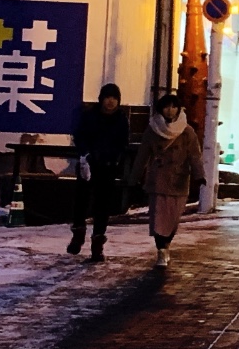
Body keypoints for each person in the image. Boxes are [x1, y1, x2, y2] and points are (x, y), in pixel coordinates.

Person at [138, 92, 205, 269]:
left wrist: (200, 176)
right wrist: (134, 177)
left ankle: (166, 246)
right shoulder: (153, 128)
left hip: (179, 180)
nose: (170, 110)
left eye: (174, 106)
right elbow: (142, 155)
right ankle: (161, 250)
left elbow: (195, 156)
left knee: (173, 219)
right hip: (158, 179)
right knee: (159, 217)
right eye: (167, 106)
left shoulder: (187, 131)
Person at [68, 83, 130, 261]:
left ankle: (97, 244)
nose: (110, 102)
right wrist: (86, 154)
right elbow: (79, 136)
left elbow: (123, 142)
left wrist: (115, 157)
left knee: (102, 206)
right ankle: (78, 234)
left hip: (108, 166)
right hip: (87, 164)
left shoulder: (121, 120)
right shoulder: (90, 116)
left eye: (114, 98)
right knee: (81, 201)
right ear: (101, 99)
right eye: (107, 97)